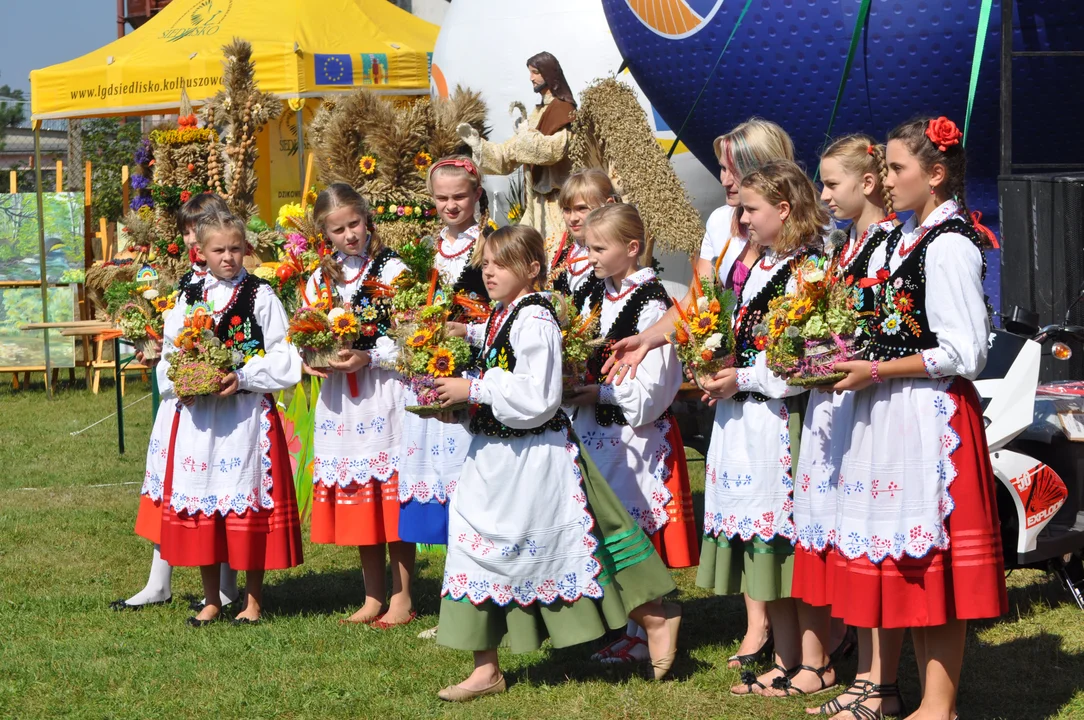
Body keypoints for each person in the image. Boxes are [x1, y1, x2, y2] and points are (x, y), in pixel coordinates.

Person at [430, 225, 681, 702]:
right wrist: (461, 404)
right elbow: (499, 382)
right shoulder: (503, 315)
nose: (488, 271)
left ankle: (654, 617)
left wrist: (475, 390)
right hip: (491, 459)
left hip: (536, 461)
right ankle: (485, 667)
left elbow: (540, 397)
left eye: (500, 263)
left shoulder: (536, 318)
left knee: (579, 550)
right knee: (474, 550)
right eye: (484, 262)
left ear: (531, 270)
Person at [829, 116, 1007, 720]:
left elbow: (966, 351)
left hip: (932, 419)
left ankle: (939, 706)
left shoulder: (950, 242)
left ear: (935, 174)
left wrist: (880, 371)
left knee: (937, 568)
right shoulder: (904, 237)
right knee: (909, 562)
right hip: (893, 413)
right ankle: (915, 698)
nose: (886, 179)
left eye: (897, 169)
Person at [603, 118, 797, 669]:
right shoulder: (720, 219)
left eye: (732, 168)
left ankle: (781, 631)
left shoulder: (797, 228)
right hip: (731, 378)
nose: (723, 178)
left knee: (773, 508)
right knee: (744, 506)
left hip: (775, 385)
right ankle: (756, 621)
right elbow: (702, 300)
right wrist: (649, 338)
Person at [766, 135, 898, 704]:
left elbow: (880, 328)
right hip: (836, 401)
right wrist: (803, 353)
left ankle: (877, 676)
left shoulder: (889, 244)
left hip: (873, 401)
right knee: (849, 537)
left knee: (872, 537)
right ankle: (864, 670)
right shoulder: (847, 246)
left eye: (831, 184)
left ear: (867, 184)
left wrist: (834, 353)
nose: (823, 195)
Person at [690, 160, 824, 696]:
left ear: (784, 210)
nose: (739, 218)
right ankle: (788, 656)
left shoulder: (805, 270)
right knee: (763, 547)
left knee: (784, 541)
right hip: (743, 417)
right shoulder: (763, 266)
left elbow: (799, 364)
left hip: (779, 419)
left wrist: (739, 375)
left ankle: (811, 660)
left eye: (749, 209)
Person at [157, 210, 304, 626]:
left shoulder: (261, 295)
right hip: (201, 419)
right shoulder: (189, 296)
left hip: (244, 417)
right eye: (218, 250)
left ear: (246, 250)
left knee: (247, 506)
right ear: (199, 252)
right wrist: (184, 378)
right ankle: (212, 599)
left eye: (236, 249)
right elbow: (171, 351)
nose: (228, 257)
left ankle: (253, 600)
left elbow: (284, 357)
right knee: (205, 500)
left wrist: (241, 377)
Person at [566, 204, 699, 665]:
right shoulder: (591, 294)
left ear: (633, 248)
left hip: (635, 440)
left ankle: (647, 628)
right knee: (606, 526)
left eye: (599, 248)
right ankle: (632, 626)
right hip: (594, 432)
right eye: (587, 246)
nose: (591, 256)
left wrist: (597, 393)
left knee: (629, 529)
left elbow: (653, 393)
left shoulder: (652, 304)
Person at [112, 192, 239, 612]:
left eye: (197, 228)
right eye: (186, 231)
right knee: (170, 485)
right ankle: (158, 580)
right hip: (180, 400)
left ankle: (224, 584)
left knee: (221, 487)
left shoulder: (240, 284)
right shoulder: (187, 285)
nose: (191, 239)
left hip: (220, 400)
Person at [305, 183, 416, 628]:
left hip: (384, 394)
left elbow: (412, 337)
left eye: (354, 224)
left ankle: (403, 597)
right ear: (324, 233)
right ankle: (372, 596)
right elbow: (306, 332)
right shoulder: (319, 278)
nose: (349, 235)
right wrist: (313, 357)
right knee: (362, 499)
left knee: (392, 499)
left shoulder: (394, 271)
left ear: (367, 219)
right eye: (338, 229)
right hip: (341, 402)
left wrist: (370, 355)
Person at [400, 156, 490, 639]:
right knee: (437, 494)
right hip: (426, 378)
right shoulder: (423, 250)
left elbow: (505, 312)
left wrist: (466, 330)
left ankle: (468, 601)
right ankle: (448, 601)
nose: (451, 205)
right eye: (442, 198)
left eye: (459, 196)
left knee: (469, 491)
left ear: (477, 194)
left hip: (471, 379)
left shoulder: (491, 246)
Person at [458, 51, 576, 260]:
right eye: (530, 72)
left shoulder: (564, 111)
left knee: (555, 257)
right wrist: (479, 146)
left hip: (558, 204)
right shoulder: (537, 112)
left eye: (536, 72)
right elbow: (510, 154)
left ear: (549, 74)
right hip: (536, 204)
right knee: (523, 255)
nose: (531, 78)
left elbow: (553, 150)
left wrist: (526, 137)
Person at [551, 168, 617, 306]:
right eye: (567, 210)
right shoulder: (563, 257)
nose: (573, 218)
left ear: (608, 205)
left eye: (582, 208)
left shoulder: (616, 255)